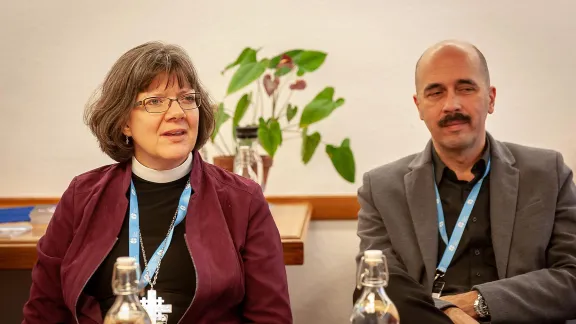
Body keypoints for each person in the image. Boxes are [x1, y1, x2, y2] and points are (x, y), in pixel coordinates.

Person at [22, 41, 292, 324]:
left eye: (187, 98)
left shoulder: (242, 200)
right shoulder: (82, 196)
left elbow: (271, 317)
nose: (177, 113)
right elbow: (44, 312)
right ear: (124, 121)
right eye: (155, 101)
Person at [354, 40, 576, 324]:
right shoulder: (382, 188)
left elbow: (571, 276)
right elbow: (378, 285)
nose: (451, 104)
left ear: (491, 98)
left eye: (466, 88)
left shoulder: (547, 173)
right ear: (419, 106)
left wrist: (479, 302)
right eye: (435, 92)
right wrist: (447, 315)